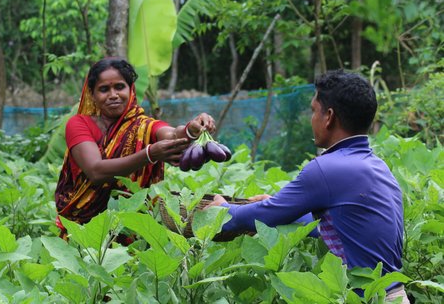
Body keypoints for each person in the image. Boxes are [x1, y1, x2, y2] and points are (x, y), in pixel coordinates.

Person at [207, 70, 409, 303]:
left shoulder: (327, 168)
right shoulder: (376, 165)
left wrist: (223, 211)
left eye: (314, 110)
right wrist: (275, 206)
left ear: (329, 116)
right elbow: (335, 229)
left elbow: (264, 215)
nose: (311, 118)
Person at [55, 57, 215, 240]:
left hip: (132, 230)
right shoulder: (78, 124)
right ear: (91, 93)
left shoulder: (142, 126)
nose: (113, 94)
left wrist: (191, 129)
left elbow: (171, 134)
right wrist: (149, 154)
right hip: (83, 230)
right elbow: (95, 171)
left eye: (119, 87)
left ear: (130, 89)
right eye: (104, 89)